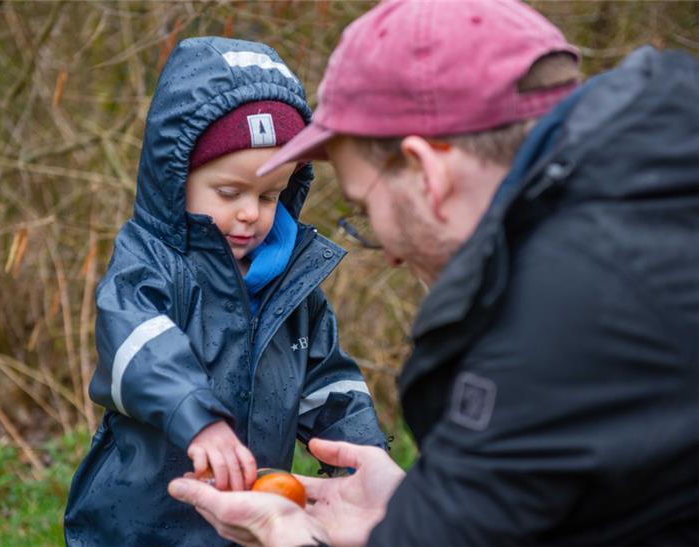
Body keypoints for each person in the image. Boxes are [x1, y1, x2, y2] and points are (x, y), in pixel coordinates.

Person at [168, 1, 699, 545]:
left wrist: (297, 539)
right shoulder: (652, 209)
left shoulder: (558, 321)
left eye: (367, 210)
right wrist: (414, 506)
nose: (391, 256)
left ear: (426, 171)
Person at [64, 36, 387, 546]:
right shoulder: (150, 263)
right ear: (178, 179)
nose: (250, 213)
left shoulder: (292, 282)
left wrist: (361, 455)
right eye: (229, 192)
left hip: (250, 521)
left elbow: (329, 380)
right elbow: (135, 347)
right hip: (141, 522)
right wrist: (199, 420)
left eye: (270, 195)